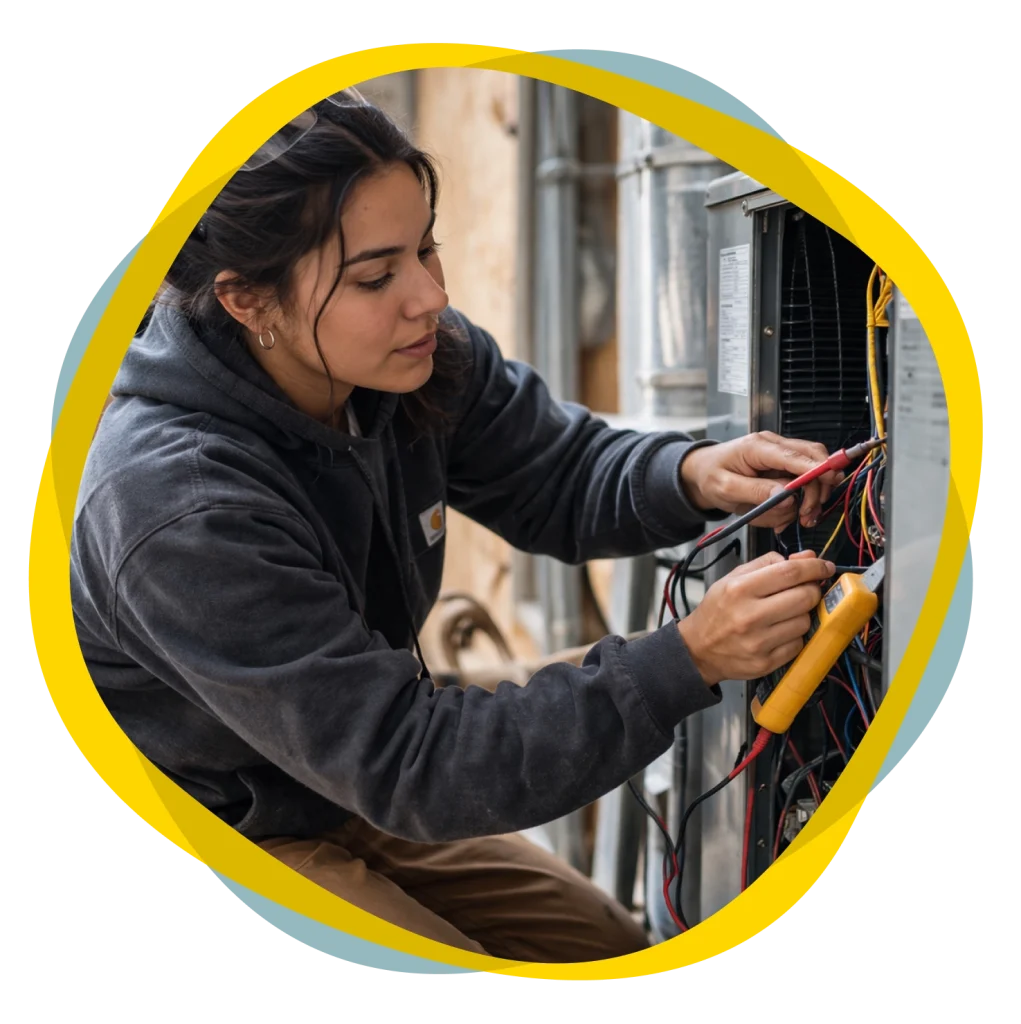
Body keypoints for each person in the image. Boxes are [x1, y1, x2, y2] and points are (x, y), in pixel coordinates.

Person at [71, 89, 841, 964]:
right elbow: (416, 764)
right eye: (375, 276)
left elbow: (555, 470)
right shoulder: (180, 505)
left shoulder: (403, 358)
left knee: (597, 945)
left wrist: (690, 472)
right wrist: (688, 657)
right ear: (248, 301)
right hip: (217, 821)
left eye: (425, 247)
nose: (429, 295)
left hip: (337, 780)